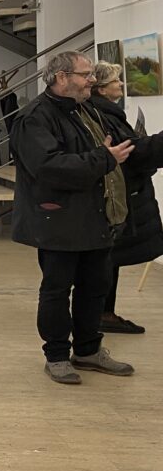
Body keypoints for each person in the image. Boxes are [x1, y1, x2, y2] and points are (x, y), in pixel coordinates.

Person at [10, 50, 134, 385]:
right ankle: (57, 356)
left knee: (94, 287)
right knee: (57, 289)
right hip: (59, 220)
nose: (92, 80)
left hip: (94, 216)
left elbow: (118, 150)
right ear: (61, 77)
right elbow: (49, 168)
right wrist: (103, 159)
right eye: (86, 74)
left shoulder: (86, 109)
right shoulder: (34, 118)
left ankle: (88, 350)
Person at [89, 61, 163, 335]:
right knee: (107, 258)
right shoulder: (102, 116)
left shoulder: (106, 113)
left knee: (110, 258)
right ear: (101, 89)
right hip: (115, 197)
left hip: (121, 193)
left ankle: (103, 313)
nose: (121, 84)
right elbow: (130, 155)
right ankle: (100, 315)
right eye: (115, 81)